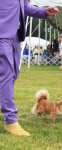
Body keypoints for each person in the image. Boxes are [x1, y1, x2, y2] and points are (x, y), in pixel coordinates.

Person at [0, 0, 58, 136]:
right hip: (2, 35)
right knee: (6, 76)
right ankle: (10, 120)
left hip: (15, 37)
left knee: (12, 74)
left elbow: (23, 6)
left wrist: (43, 11)